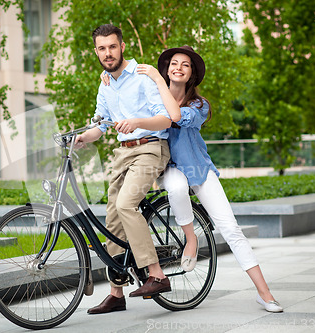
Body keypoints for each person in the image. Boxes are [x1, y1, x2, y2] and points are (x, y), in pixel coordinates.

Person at [101, 45, 283, 313]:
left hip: (198, 169)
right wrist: (108, 78)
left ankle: (265, 293)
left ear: (192, 74)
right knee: (175, 186)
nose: (178, 67)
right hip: (169, 167)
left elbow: (174, 117)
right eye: (174, 63)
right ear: (167, 68)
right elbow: (126, 88)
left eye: (185, 65)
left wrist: (155, 78)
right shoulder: (154, 96)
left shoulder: (199, 104)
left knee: (231, 229)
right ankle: (191, 239)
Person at [76, 24, 173, 315]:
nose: (108, 53)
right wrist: (82, 137)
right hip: (123, 154)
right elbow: (100, 125)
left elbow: (166, 119)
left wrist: (136, 121)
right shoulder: (105, 83)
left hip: (151, 147)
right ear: (96, 51)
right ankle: (116, 293)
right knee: (113, 218)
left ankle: (157, 274)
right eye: (102, 48)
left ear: (122, 46)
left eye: (112, 46)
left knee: (126, 204)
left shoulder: (142, 76)